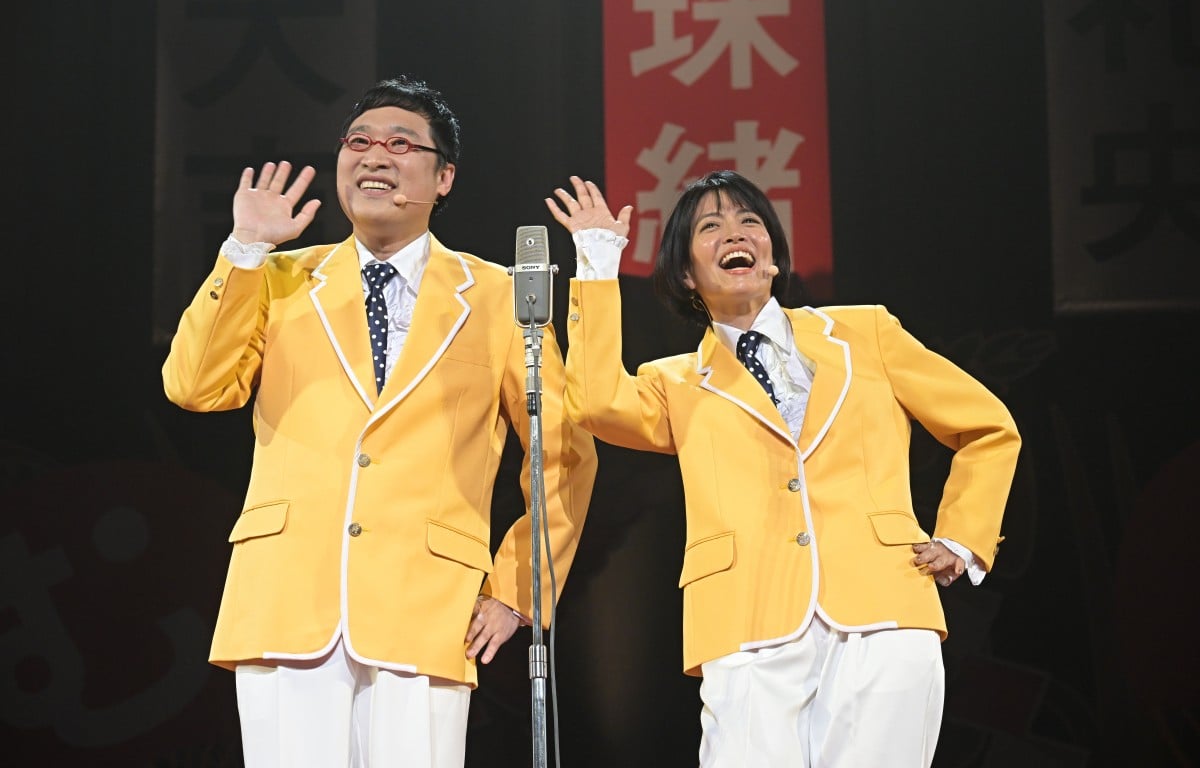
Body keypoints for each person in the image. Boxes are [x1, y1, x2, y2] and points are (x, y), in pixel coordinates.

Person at [162, 76, 597, 768]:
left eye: (400, 144)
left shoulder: (497, 295)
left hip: (428, 605)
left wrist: (519, 592)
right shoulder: (278, 279)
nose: (374, 156)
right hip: (287, 598)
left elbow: (562, 452)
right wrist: (244, 247)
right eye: (358, 141)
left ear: (444, 176)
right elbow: (196, 387)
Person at [545, 171, 1020, 767]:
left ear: (771, 255)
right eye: (710, 227)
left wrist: (963, 537)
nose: (734, 233)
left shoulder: (866, 333)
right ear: (687, 274)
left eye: (749, 221)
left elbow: (987, 428)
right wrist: (596, 260)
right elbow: (594, 402)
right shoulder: (676, 383)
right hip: (746, 620)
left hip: (884, 609)